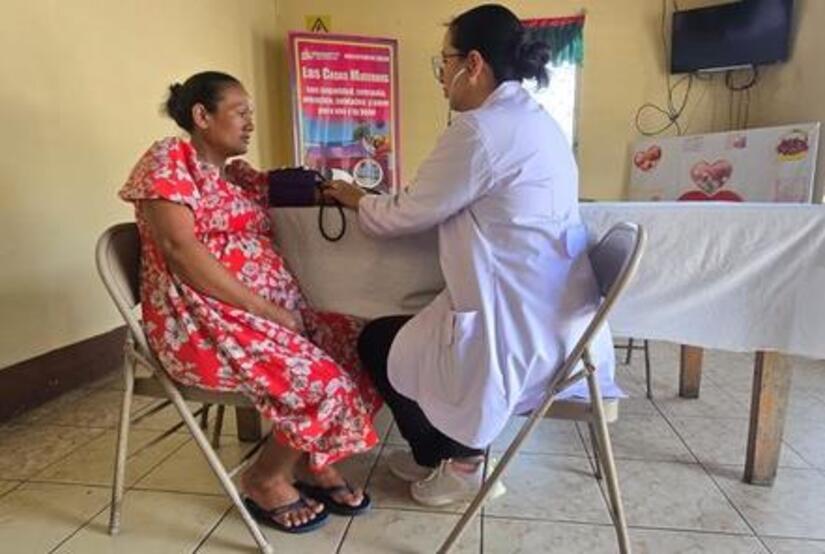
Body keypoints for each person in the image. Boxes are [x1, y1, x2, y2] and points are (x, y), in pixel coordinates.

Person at [324, 4, 619, 507]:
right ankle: (438, 456)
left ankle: (460, 463)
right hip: (556, 319)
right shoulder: (533, 119)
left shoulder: (481, 129)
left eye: (445, 62)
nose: (442, 77)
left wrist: (356, 198)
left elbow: (405, 213)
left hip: (517, 324)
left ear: (474, 63)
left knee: (377, 340)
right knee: (405, 337)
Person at [119, 71, 381, 532]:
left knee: (361, 343)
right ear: (202, 116)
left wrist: (340, 192)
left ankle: (312, 459)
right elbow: (180, 250)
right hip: (204, 325)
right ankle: (265, 477)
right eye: (240, 113)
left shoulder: (236, 176)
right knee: (323, 383)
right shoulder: (169, 160)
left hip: (263, 323)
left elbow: (284, 188)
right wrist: (269, 311)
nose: (250, 124)